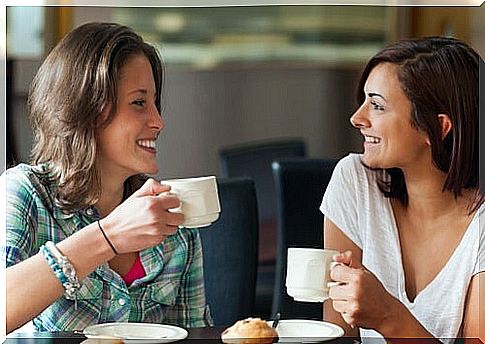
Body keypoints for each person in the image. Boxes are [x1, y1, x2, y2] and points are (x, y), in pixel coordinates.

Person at [2, 22, 213, 333]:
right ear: (86, 108)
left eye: (155, 103)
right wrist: (108, 236)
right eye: (139, 103)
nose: (158, 121)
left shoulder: (173, 225)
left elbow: (195, 336)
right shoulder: (26, 194)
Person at [320, 36, 483, 342]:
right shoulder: (355, 182)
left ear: (437, 128)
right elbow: (338, 334)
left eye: (378, 106)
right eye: (364, 101)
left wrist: (388, 316)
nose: (357, 118)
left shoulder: (481, 227)